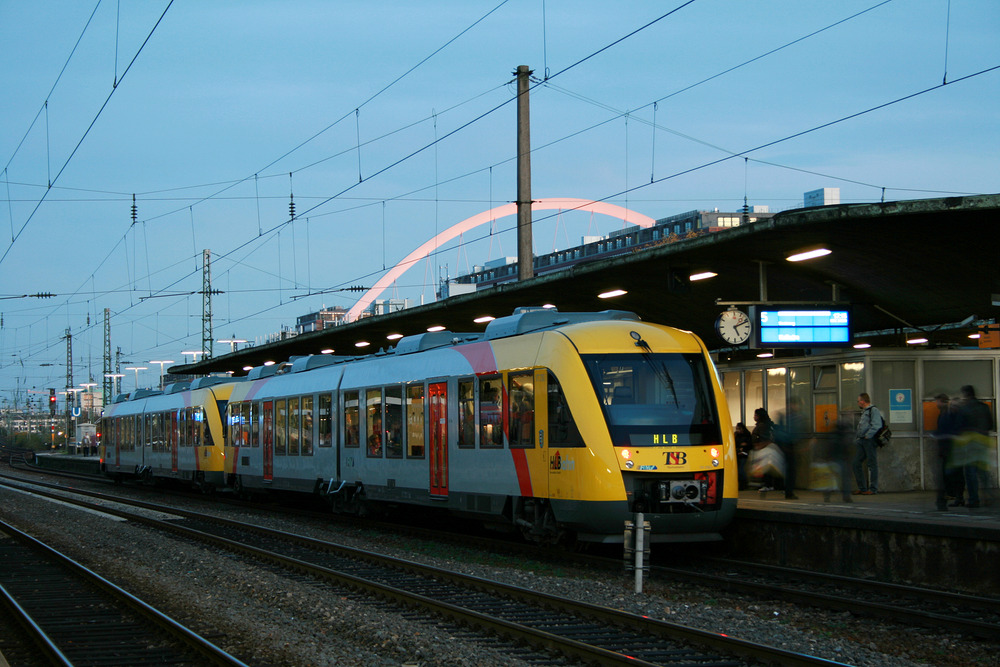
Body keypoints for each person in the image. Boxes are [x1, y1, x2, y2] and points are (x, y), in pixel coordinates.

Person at [955, 385, 994, 508]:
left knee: (971, 473)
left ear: (966, 394)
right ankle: (987, 496)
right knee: (983, 472)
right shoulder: (984, 407)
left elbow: (960, 428)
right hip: (983, 443)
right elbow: (990, 425)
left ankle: (974, 499)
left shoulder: (964, 409)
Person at [931, 394, 960, 510]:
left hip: (949, 447)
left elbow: (948, 430)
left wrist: (937, 435)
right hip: (946, 447)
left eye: (937, 401)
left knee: (949, 472)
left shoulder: (948, 414)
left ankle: (950, 495)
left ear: (942, 402)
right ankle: (948, 495)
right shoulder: (943, 414)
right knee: (946, 472)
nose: (935, 404)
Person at [852, 393, 882, 495]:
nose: (858, 403)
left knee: (872, 464)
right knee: (856, 463)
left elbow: (877, 425)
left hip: (869, 440)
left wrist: (868, 435)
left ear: (863, 401)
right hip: (861, 440)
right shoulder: (864, 411)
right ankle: (862, 488)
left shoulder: (873, 410)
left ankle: (873, 489)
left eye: (858, 401)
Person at [777, 398, 805, 499]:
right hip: (788, 446)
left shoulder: (785, 416)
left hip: (787, 446)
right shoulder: (790, 417)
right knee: (791, 470)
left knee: (789, 470)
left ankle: (788, 491)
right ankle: (788, 492)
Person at [750, 408, 784, 493]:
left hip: (765, 449)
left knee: (766, 468)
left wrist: (759, 446)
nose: (754, 417)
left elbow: (763, 438)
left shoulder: (762, 426)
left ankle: (768, 485)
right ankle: (775, 485)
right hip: (773, 449)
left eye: (756, 415)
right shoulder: (770, 425)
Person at [734, 422, 753, 490]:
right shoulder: (737, 435)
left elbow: (750, 444)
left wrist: (744, 447)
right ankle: (742, 484)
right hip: (739, 454)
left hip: (744, 454)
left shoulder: (746, 435)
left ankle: (743, 485)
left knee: (741, 470)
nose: (738, 430)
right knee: (740, 470)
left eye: (739, 429)